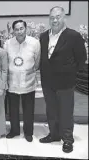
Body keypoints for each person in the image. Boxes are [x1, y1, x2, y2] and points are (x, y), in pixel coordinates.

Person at [39, 6, 87, 153]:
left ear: (63, 17)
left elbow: (82, 59)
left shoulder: (74, 36)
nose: (55, 20)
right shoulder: (43, 36)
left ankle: (67, 139)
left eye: (58, 17)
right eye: (52, 17)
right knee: (51, 110)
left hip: (66, 82)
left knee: (66, 112)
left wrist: (69, 72)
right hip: (48, 82)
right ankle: (54, 135)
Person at [4, 20, 41, 142]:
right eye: (16, 29)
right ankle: (14, 130)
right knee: (13, 109)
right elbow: (5, 62)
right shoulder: (8, 43)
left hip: (28, 81)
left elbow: (37, 61)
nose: (19, 31)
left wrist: (29, 70)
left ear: (26, 29)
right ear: (13, 31)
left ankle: (28, 132)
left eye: (21, 28)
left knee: (28, 109)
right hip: (12, 82)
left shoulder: (34, 43)